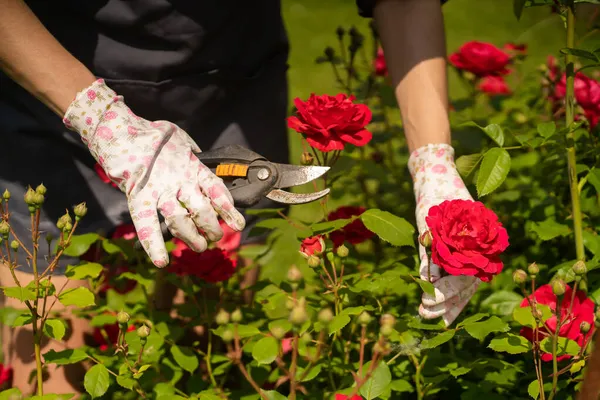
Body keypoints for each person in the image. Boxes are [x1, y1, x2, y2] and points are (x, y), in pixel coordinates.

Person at [0, 0, 479, 394]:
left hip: (226, 78)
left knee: (205, 353)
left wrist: (433, 167)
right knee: (48, 362)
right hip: (50, 78)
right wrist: (102, 119)